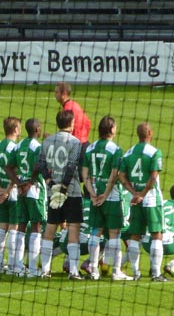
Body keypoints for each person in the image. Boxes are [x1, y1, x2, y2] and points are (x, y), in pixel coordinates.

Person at [81, 116, 133, 281]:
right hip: (111, 198)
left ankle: (94, 270)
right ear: (112, 130)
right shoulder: (116, 149)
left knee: (96, 233)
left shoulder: (90, 148)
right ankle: (116, 271)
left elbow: (85, 173)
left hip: (95, 196)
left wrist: (92, 192)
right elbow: (114, 175)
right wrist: (105, 194)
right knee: (114, 234)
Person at [34, 110, 83, 279]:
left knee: (51, 227)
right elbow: (71, 166)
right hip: (72, 191)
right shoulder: (76, 142)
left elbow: (40, 164)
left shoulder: (47, 141)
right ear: (72, 123)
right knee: (73, 228)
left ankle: (45, 270)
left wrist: (49, 182)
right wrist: (64, 187)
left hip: (52, 191)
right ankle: (74, 271)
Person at [118, 122, 166, 282]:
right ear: (150, 133)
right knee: (156, 234)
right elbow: (153, 177)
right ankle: (155, 273)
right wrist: (143, 194)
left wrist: (134, 193)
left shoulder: (128, 153)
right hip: (151, 199)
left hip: (135, 199)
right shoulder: (154, 152)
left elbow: (121, 176)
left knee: (135, 235)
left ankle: (136, 272)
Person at [0, 117, 23, 274]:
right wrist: (8, 191)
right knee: (14, 229)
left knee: (2, 228)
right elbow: (15, 173)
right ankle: (12, 264)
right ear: (15, 129)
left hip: (0, 194)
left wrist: (0, 189)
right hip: (14, 194)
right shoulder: (15, 148)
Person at [15, 119, 46, 277]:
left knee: (20, 226)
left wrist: (18, 183)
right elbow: (38, 166)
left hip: (21, 191)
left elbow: (8, 166)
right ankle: (33, 270)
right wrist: (30, 182)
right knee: (36, 226)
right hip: (34, 190)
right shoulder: (37, 146)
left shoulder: (19, 145)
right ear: (37, 129)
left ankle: (18, 267)